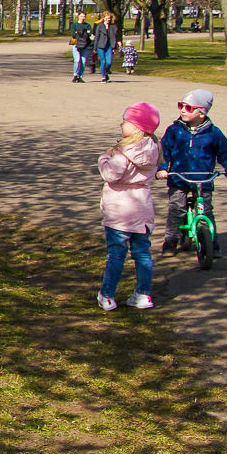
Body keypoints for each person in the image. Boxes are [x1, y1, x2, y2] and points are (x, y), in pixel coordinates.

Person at [160, 88, 227, 253]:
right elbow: (164, 152)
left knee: (206, 210)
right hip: (179, 177)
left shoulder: (213, 133)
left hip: (204, 179)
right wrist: (162, 169)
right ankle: (171, 240)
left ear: (202, 113)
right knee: (177, 208)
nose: (183, 110)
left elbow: (225, 151)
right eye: (181, 106)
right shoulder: (174, 131)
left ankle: (211, 242)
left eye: (188, 108)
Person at [98, 103, 162, 311]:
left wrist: (104, 158)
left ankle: (107, 295)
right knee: (142, 253)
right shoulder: (153, 148)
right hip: (142, 207)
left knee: (116, 254)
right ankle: (143, 294)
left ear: (136, 127)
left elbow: (111, 175)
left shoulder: (123, 152)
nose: (121, 124)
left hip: (120, 209)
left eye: (125, 121)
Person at [93, 11, 120, 82]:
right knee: (103, 61)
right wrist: (95, 48)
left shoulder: (113, 27)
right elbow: (97, 37)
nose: (108, 19)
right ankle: (103, 77)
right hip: (100, 46)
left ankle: (106, 72)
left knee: (109, 62)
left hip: (109, 46)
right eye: (107, 18)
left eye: (109, 18)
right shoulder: (100, 26)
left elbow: (116, 36)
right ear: (104, 18)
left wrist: (117, 44)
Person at [69, 16, 93, 82]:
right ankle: (75, 75)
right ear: (78, 16)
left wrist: (79, 32)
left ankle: (80, 76)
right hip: (75, 43)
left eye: (84, 16)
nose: (83, 17)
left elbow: (90, 33)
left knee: (83, 61)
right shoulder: (74, 25)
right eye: (81, 16)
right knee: (77, 60)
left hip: (85, 44)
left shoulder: (87, 25)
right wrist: (84, 32)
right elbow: (73, 34)